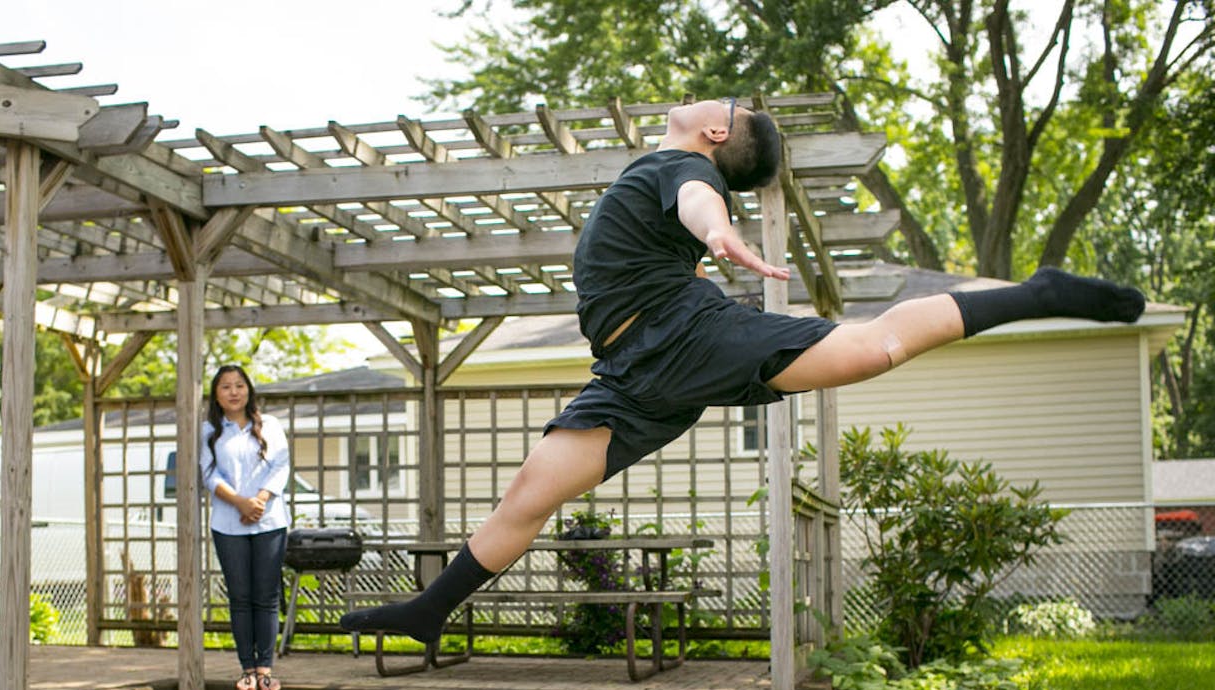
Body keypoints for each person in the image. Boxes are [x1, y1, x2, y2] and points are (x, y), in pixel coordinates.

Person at [339, 96, 1147, 645]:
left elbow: (698, 200)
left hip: (688, 336)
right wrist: (709, 235)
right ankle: (431, 611)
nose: (708, 103)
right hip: (631, 372)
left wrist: (719, 232)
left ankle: (1038, 291)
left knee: (874, 348)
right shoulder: (653, 170)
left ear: (718, 136)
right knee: (529, 493)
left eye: (724, 109)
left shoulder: (676, 171)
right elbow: (690, 203)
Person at [202, 364, 290, 690]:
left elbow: (281, 466)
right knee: (240, 597)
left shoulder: (270, 425)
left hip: (269, 521)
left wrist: (260, 500)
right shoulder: (208, 431)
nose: (234, 392)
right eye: (226, 387)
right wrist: (239, 502)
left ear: (249, 390)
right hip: (228, 523)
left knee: (266, 596)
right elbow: (209, 475)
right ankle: (247, 670)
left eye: (239, 385)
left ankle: (266, 668)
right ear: (216, 395)